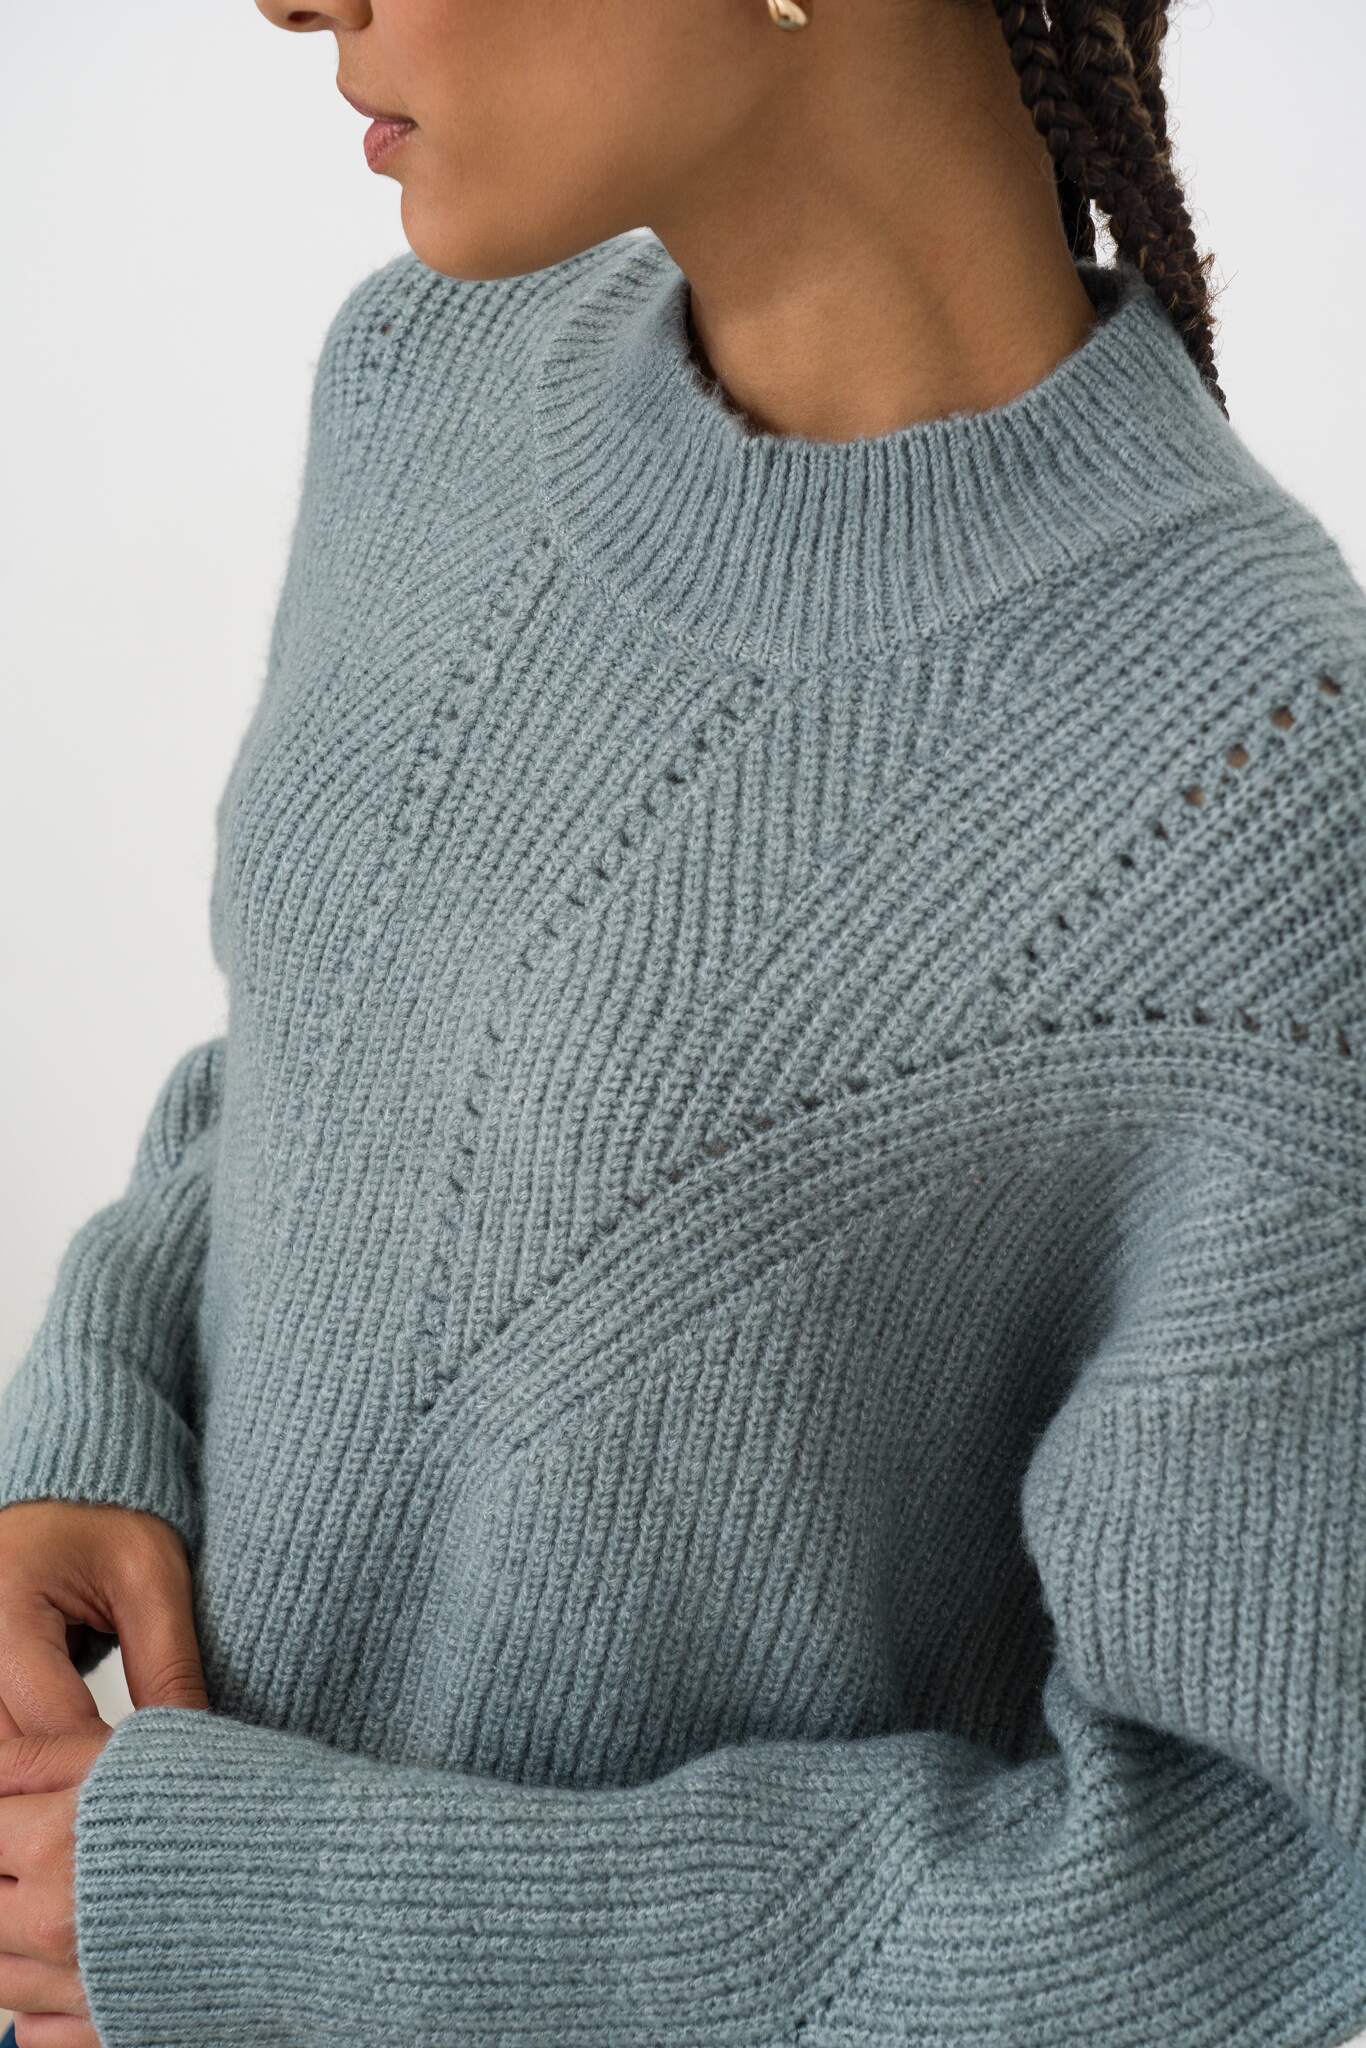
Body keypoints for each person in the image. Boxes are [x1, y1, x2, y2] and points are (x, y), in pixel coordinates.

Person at [1, 0, 1364, 2043]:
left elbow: (1259, 1880)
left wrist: (282, 1924)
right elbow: (314, 1060)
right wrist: (101, 1401)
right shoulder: (426, 374)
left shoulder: (1247, 782)